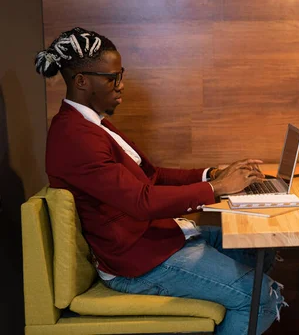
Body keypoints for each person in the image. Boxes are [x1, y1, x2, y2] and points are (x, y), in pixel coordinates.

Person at [37, 27, 284, 335]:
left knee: (261, 250)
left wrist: (211, 174)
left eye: (120, 74)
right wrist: (216, 189)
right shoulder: (74, 137)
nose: (121, 85)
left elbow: (152, 176)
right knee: (261, 298)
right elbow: (141, 201)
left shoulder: (93, 125)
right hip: (137, 263)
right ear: (82, 81)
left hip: (159, 239)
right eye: (112, 78)